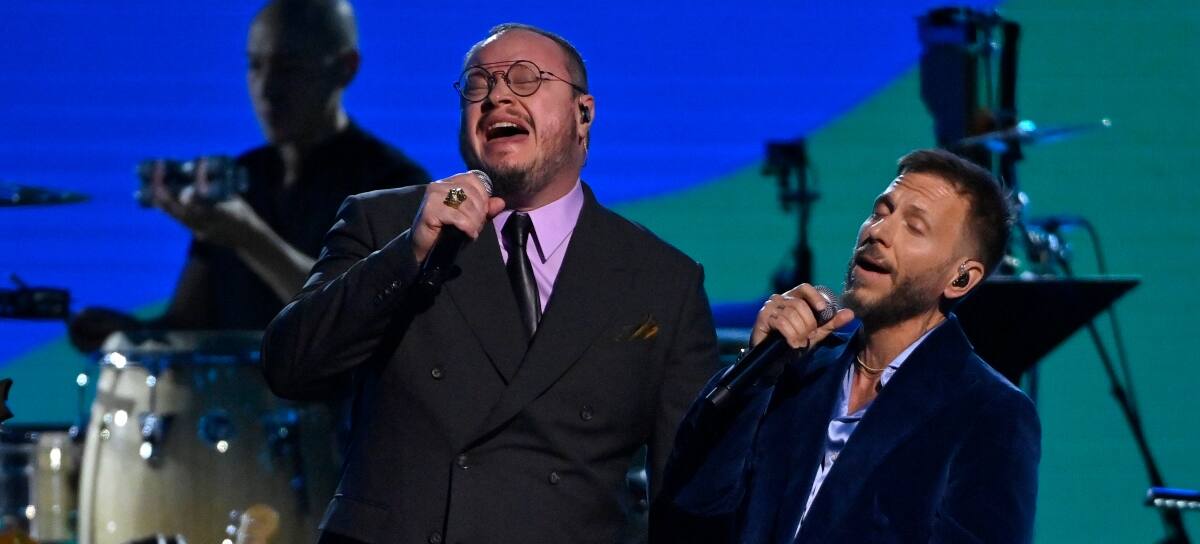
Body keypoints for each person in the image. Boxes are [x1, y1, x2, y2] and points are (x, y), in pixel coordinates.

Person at [261, 23, 719, 544]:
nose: (497, 96)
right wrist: (410, 254)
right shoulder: (386, 224)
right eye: (478, 85)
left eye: (526, 79)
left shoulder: (662, 280)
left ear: (583, 114)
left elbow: (691, 496)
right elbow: (289, 366)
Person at [653, 149, 1040, 543]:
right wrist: (756, 374)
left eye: (914, 226)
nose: (879, 232)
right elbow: (693, 508)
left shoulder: (991, 413)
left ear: (961, 278)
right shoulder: (795, 370)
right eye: (880, 212)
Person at [68, 0, 429, 351]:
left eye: (289, 67)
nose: (266, 88)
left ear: (345, 68)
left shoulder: (393, 184)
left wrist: (248, 237)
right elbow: (188, 325)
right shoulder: (243, 176)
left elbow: (362, 316)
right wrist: (127, 334)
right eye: (255, 66)